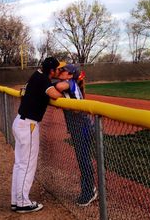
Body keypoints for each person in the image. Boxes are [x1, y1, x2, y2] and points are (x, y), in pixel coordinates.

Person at [11, 57, 64, 213]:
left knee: (20, 164)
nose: (59, 71)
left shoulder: (36, 75)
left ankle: (17, 200)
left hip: (21, 122)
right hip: (29, 125)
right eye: (57, 69)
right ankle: (23, 203)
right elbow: (56, 95)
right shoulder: (42, 80)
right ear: (51, 70)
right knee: (27, 165)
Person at [55, 63, 97, 207]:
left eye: (64, 71)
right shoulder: (68, 82)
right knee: (82, 158)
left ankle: (90, 191)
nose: (60, 72)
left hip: (83, 127)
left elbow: (59, 87)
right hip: (77, 127)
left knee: (84, 159)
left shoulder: (70, 83)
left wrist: (48, 85)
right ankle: (88, 188)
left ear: (70, 75)